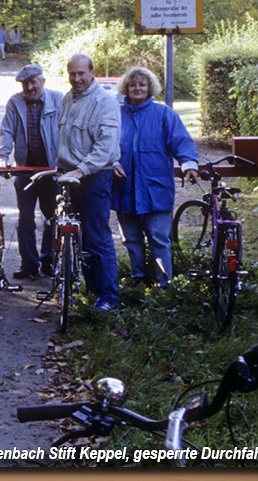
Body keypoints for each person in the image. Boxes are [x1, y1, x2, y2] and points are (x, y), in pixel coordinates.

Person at [112, 67, 198, 288]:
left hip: (156, 189)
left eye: (142, 84)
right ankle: (138, 280)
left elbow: (182, 142)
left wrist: (189, 164)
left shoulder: (164, 114)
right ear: (126, 88)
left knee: (159, 239)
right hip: (125, 189)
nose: (137, 88)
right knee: (131, 239)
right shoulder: (116, 114)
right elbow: (105, 144)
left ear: (150, 88)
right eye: (133, 85)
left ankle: (164, 285)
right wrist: (112, 163)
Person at [57, 54, 122, 312]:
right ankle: (92, 291)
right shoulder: (68, 98)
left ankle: (109, 297)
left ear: (92, 72)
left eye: (82, 73)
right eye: (72, 73)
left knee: (97, 237)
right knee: (79, 237)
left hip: (94, 178)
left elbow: (105, 147)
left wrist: (81, 171)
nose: (77, 78)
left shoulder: (104, 103)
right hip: (68, 178)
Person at [0, 64, 63, 279]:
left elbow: (67, 129)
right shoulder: (15, 102)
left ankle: (48, 261)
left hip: (52, 170)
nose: (30, 87)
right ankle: (29, 263)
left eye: (34, 82)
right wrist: (2, 157)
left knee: (52, 218)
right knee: (25, 218)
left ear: (42, 81)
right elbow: (6, 131)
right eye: (26, 84)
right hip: (24, 170)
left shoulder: (58, 99)